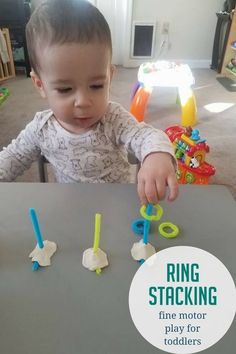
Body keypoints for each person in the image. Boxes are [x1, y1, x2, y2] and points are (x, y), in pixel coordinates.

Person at [0, 0, 178, 205]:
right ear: (40, 85)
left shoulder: (113, 119)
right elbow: (12, 157)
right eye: (65, 89)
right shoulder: (41, 128)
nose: (83, 102)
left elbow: (146, 135)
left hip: (117, 208)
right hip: (72, 212)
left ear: (109, 77)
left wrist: (156, 155)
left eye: (96, 86)